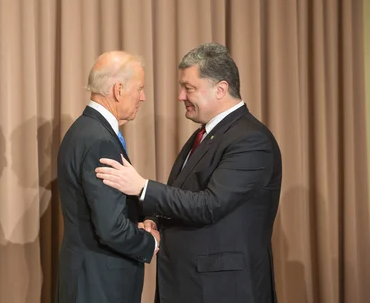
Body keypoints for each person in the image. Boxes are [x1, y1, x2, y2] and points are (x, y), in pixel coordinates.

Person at [95, 43, 282, 303]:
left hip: (222, 290)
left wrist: (142, 187)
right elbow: (185, 195)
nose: (181, 96)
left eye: (189, 88)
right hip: (190, 285)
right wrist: (155, 219)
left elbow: (210, 204)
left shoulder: (251, 140)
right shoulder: (204, 134)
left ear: (221, 89)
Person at [56, 51, 160, 303]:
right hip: (100, 284)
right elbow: (111, 228)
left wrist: (142, 219)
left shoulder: (83, 129)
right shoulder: (100, 141)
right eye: (140, 89)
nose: (143, 97)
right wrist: (149, 241)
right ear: (118, 89)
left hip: (87, 276)